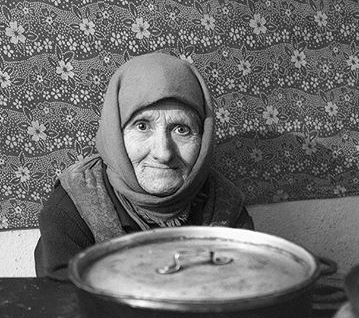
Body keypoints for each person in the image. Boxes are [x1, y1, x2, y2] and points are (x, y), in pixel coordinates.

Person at [34, 52, 254, 281]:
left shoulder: (225, 205)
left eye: (182, 129)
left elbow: (245, 293)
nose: (163, 153)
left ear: (204, 139)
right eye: (142, 126)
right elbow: (64, 308)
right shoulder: (72, 208)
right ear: (116, 133)